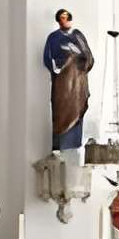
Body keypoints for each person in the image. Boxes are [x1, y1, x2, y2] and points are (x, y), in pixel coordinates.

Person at [42, 10, 93, 153]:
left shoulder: (78, 36)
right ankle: (59, 145)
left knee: (76, 110)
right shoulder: (53, 37)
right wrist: (57, 67)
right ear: (58, 21)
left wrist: (75, 54)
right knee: (60, 111)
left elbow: (89, 58)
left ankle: (73, 145)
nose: (64, 21)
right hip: (62, 83)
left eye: (66, 18)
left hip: (77, 83)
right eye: (61, 19)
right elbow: (48, 58)